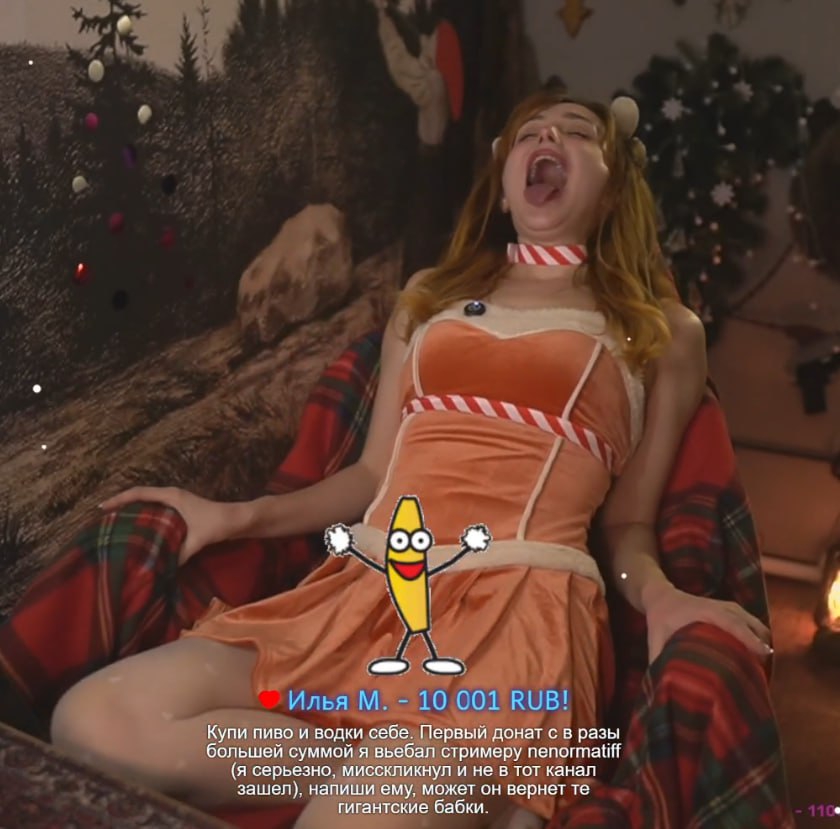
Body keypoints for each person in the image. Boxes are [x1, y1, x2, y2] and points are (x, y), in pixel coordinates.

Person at [48, 90, 772, 829]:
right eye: (529, 132)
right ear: (505, 183)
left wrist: (664, 598)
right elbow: (371, 475)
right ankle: (400, 775)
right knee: (95, 721)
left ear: (615, 187)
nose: (547, 137)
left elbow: (627, 526)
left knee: (347, 822)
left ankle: (448, 781)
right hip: (363, 596)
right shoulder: (431, 295)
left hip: (514, 621)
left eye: (578, 132)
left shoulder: (660, 331)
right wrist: (236, 516)